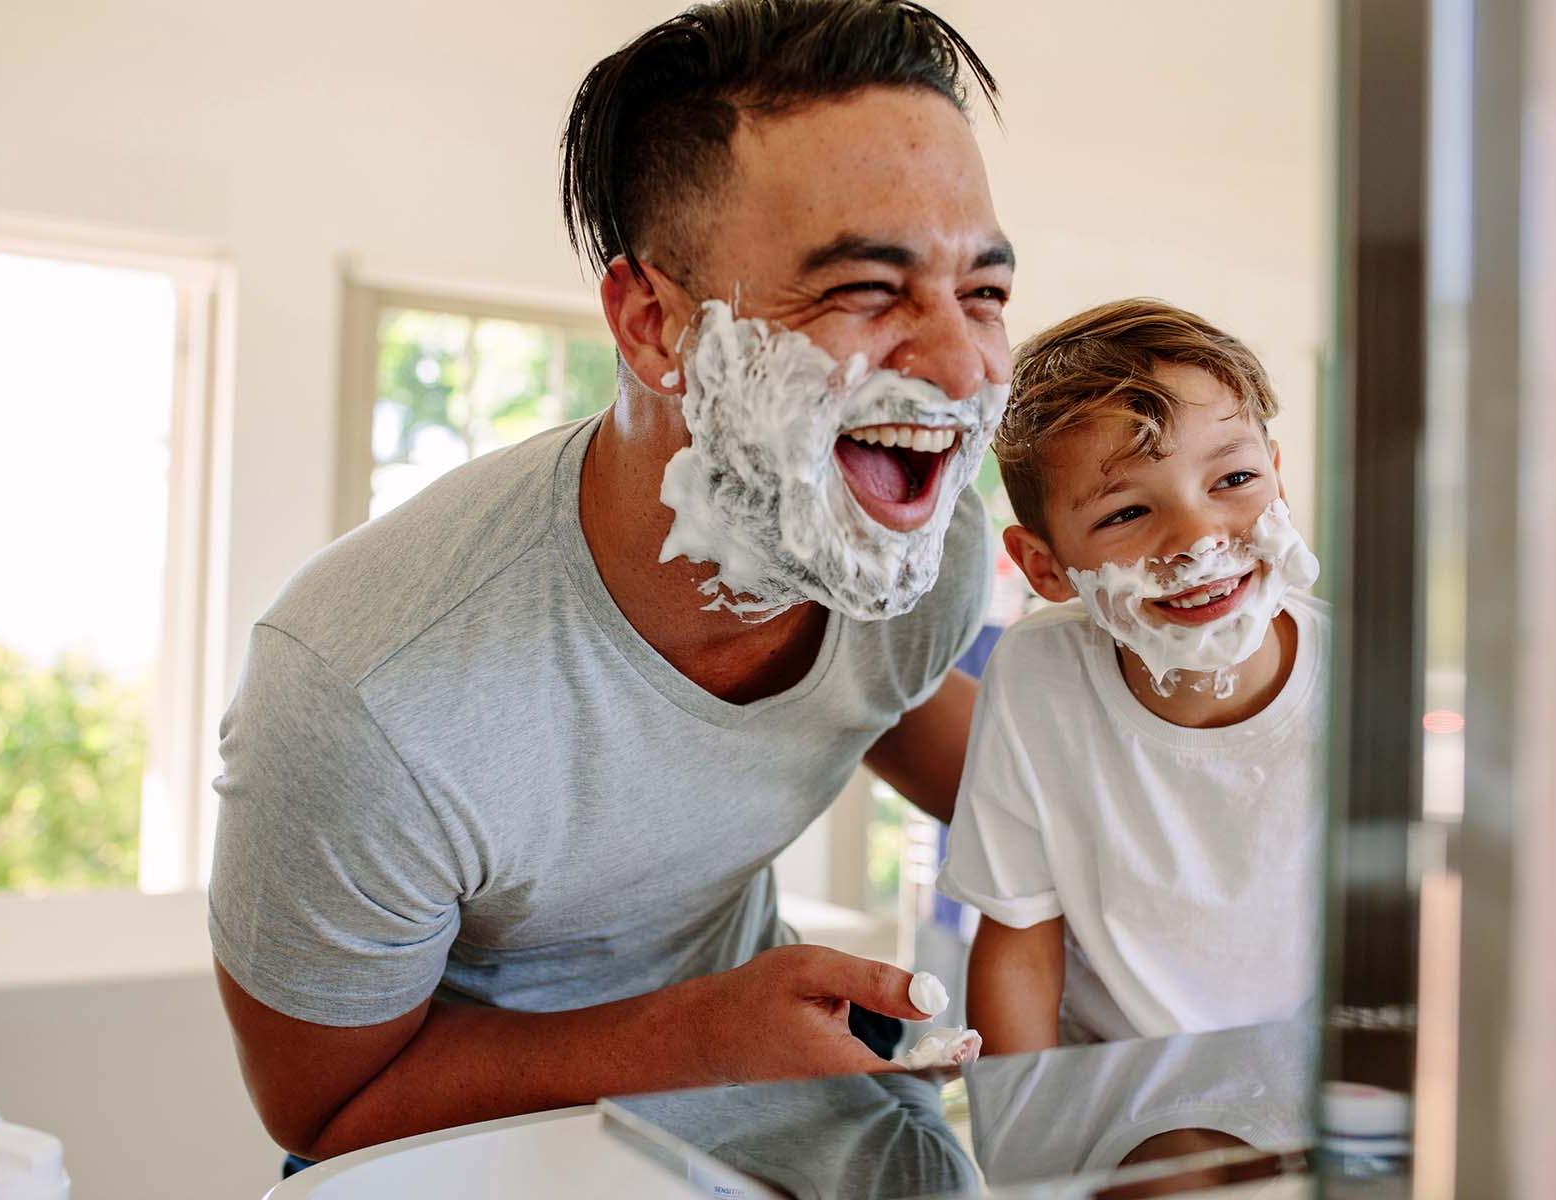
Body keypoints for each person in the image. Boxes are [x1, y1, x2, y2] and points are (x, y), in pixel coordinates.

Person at [209, 0, 1018, 1165]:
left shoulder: (913, 543)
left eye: (982, 293)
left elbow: (877, 698)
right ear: (653, 325)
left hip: (770, 1081)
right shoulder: (365, 697)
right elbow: (324, 1110)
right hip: (469, 1144)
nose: (958, 366)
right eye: (863, 291)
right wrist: (692, 1040)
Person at [938, 299, 1327, 1053]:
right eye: (1125, 514)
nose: (1197, 537)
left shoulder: (1356, 675)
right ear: (1046, 568)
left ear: (1278, 478)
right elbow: (1018, 945)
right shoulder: (1038, 680)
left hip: (1303, 1074)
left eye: (1235, 477)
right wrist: (1027, 1153)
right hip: (1117, 1085)